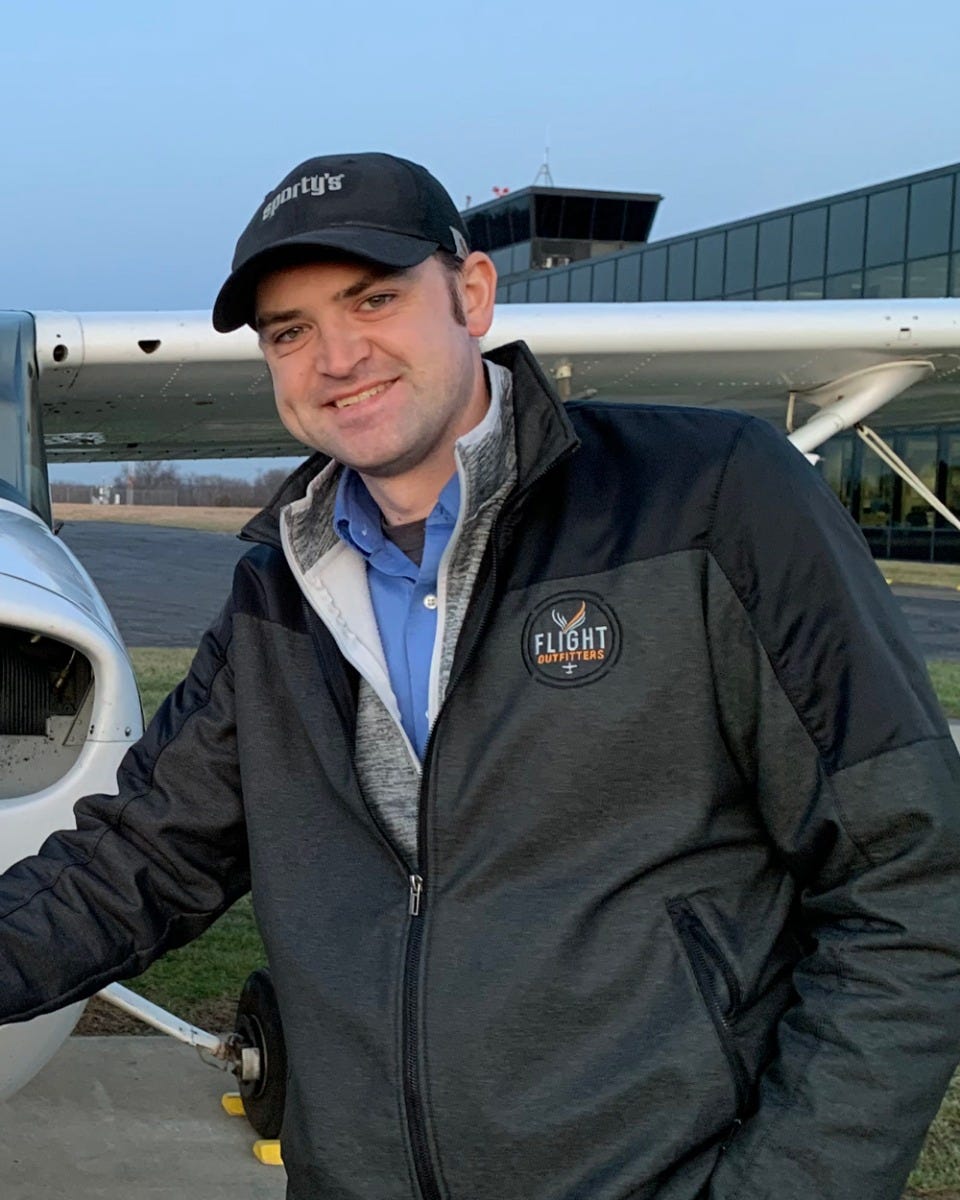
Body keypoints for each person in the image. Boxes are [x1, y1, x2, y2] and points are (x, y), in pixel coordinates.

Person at [0, 151, 958, 1200]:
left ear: (472, 293)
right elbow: (134, 864)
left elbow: (910, 880)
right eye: (291, 331)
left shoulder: (713, 502)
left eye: (374, 299)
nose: (337, 356)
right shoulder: (277, 598)